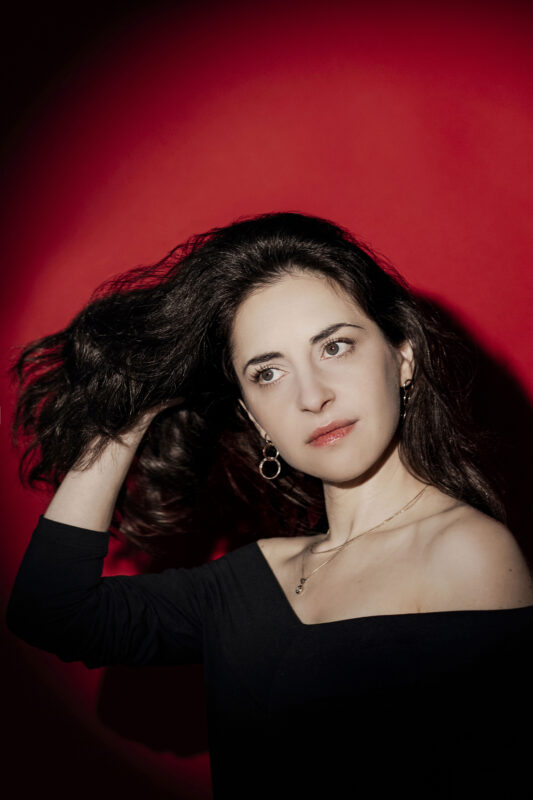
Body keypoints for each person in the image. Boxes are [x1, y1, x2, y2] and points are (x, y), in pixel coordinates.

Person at [6, 211, 533, 798]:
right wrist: (131, 409)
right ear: (253, 415)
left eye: (335, 347)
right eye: (268, 373)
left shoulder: (466, 552)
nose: (312, 396)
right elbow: (52, 610)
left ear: (402, 357)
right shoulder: (252, 581)